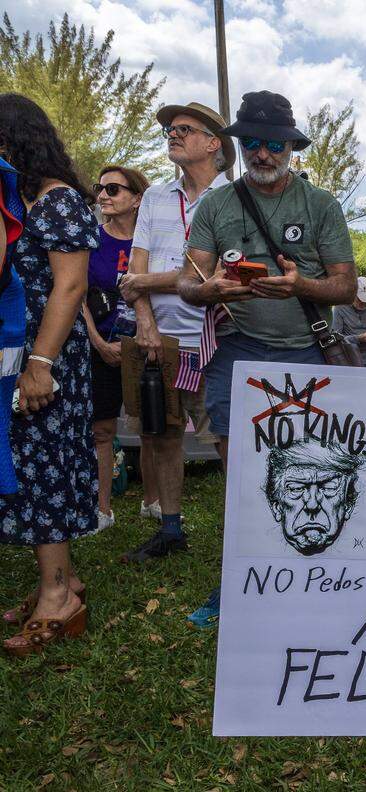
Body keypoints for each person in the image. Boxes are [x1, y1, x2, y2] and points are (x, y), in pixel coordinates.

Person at [178, 90, 357, 627]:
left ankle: (312, 578)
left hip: (308, 353)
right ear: (238, 145)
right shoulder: (217, 204)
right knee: (242, 476)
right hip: (238, 353)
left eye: (272, 143)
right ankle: (238, 582)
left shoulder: (320, 205)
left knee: (309, 471)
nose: (261, 153)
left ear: (290, 147)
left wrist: (302, 284)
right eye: (251, 142)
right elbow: (189, 283)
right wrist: (211, 291)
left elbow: (346, 286)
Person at [0, 94, 98, 655]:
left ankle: (58, 598)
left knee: (44, 467)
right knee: (35, 461)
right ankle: (63, 579)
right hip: (27, 352)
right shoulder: (26, 202)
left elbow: (69, 287)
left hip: (49, 357)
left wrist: (40, 364)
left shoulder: (57, 202)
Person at [118, 102, 234, 564]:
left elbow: (212, 274)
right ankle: (170, 528)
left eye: (184, 129)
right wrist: (144, 321)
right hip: (160, 337)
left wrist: (142, 283)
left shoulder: (234, 198)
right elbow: (136, 265)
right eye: (170, 129)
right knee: (163, 433)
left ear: (213, 144)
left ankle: (240, 535)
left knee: (227, 437)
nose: (173, 134)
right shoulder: (155, 197)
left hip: (219, 337)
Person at [83, 165, 149, 531]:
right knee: (102, 430)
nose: (103, 195)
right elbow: (75, 294)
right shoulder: (91, 239)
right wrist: (97, 342)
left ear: (137, 199)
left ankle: (153, 502)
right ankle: (102, 509)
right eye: (100, 188)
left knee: (154, 428)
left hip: (148, 344)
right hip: (101, 346)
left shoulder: (151, 238)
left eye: (113, 189)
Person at [332, 276, 366, 365]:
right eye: (360, 300)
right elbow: (335, 340)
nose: (364, 303)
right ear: (353, 294)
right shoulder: (340, 308)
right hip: (349, 359)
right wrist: (357, 338)